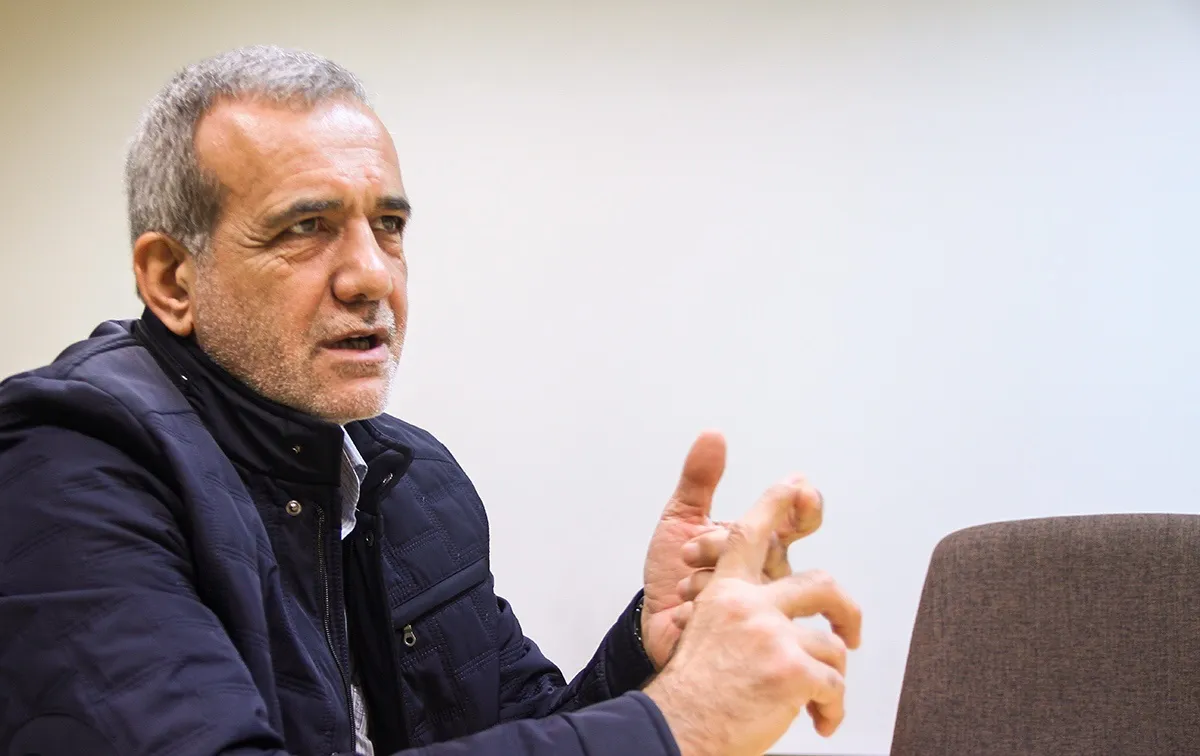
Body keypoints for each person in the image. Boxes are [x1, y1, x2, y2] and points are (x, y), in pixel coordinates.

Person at [0, 46, 861, 756]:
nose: (372, 275)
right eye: (305, 227)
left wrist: (653, 652)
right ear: (171, 279)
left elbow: (526, 727)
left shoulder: (410, 477)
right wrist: (682, 724)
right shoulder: (67, 462)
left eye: (389, 225)